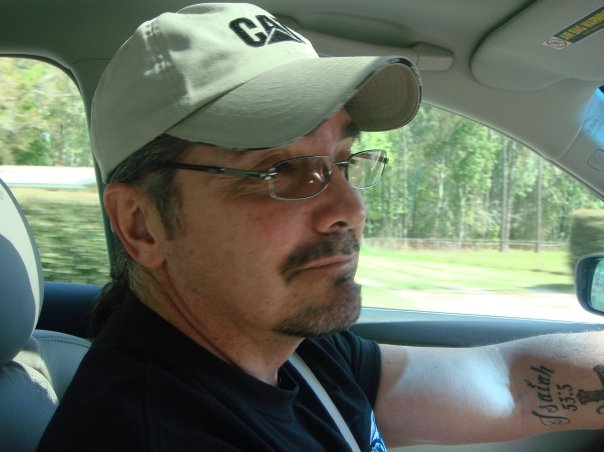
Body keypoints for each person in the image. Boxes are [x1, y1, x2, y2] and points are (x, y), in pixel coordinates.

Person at [38, 3, 604, 451]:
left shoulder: (291, 351)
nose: (350, 207)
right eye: (279, 169)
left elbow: (504, 384)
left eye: (344, 160)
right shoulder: (153, 432)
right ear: (141, 224)